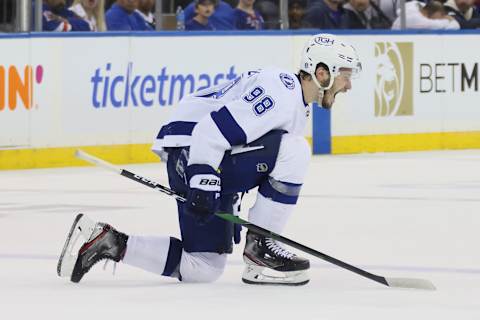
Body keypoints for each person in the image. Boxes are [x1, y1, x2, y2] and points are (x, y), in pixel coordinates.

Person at [57, 33, 362, 286]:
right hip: (193, 152)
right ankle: (260, 248)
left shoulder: (296, 105)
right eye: (344, 76)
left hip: (201, 157)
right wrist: (205, 183)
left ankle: (107, 241)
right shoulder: (280, 92)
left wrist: (228, 198)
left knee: (202, 267)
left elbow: (240, 147)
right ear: (322, 73)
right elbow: (209, 132)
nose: (348, 85)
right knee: (295, 151)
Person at [391, 0, 460, 29]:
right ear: (435, 13)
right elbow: (454, 26)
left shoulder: (418, 7)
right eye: (440, 16)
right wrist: (450, 19)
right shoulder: (415, 18)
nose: (441, 18)